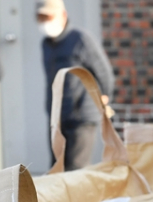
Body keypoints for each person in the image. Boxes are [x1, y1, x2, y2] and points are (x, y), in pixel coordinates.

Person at [37, 0, 114, 170]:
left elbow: (104, 71)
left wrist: (104, 96)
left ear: (63, 15)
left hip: (81, 115)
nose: (44, 22)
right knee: (57, 167)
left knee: (75, 168)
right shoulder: (46, 44)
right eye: (40, 18)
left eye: (48, 17)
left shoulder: (80, 39)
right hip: (57, 115)